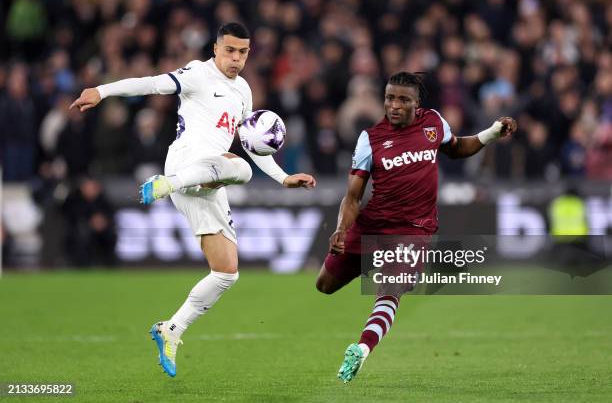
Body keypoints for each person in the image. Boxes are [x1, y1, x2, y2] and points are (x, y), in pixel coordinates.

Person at [70, 22, 316, 377]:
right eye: (229, 50)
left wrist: (283, 177)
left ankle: (171, 329)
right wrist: (102, 90)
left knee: (226, 272)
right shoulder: (198, 73)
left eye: (243, 52)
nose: (235, 58)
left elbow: (251, 145)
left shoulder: (243, 91)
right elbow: (153, 83)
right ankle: (167, 183)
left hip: (208, 179)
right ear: (216, 48)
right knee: (242, 173)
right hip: (185, 163)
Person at [315, 71, 517, 383]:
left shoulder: (434, 123)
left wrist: (491, 132)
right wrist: (342, 229)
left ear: (416, 103)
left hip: (413, 230)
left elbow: (457, 148)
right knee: (324, 285)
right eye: (389, 98)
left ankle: (361, 350)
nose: (393, 105)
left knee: (390, 291)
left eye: (402, 100)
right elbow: (353, 196)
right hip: (373, 224)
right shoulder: (370, 139)